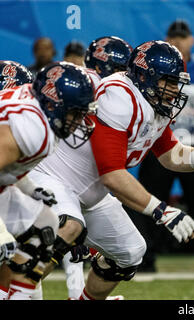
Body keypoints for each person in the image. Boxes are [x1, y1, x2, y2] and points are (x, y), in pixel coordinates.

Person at [27, 40, 194, 300]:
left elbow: (170, 154)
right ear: (145, 76)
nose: (174, 90)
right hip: (53, 179)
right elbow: (112, 174)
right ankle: (11, 290)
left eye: (176, 82)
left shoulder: (153, 103)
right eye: (168, 81)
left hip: (90, 193)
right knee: (66, 229)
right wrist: (162, 211)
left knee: (130, 251)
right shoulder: (119, 97)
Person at [44, 36, 132, 300]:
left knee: (73, 231)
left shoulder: (104, 95)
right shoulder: (69, 92)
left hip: (72, 183)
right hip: (47, 177)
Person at [0, 61, 97, 299]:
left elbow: (8, 170)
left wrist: (30, 189)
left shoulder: (40, 120)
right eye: (75, 112)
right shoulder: (33, 128)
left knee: (46, 226)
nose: (79, 122)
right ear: (54, 103)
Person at [127, 20, 194, 272]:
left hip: (189, 143)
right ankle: (146, 256)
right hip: (157, 142)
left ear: (192, 40)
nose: (178, 41)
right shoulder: (151, 73)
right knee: (148, 199)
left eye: (182, 37)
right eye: (173, 36)